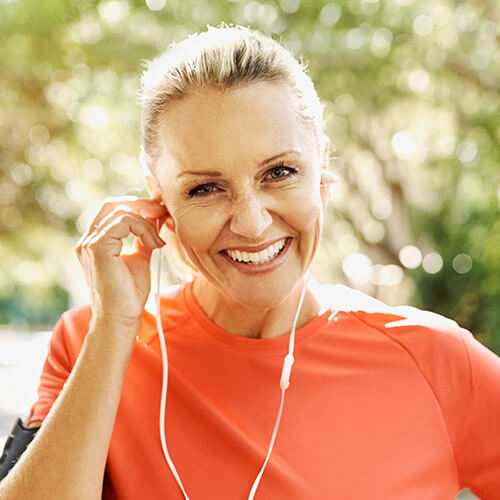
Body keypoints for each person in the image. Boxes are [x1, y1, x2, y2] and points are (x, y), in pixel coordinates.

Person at [0, 22, 499, 500]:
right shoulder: (93, 343)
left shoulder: (436, 361)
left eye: (279, 172)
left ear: (321, 169)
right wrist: (114, 329)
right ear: (158, 200)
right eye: (205, 188)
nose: (252, 223)